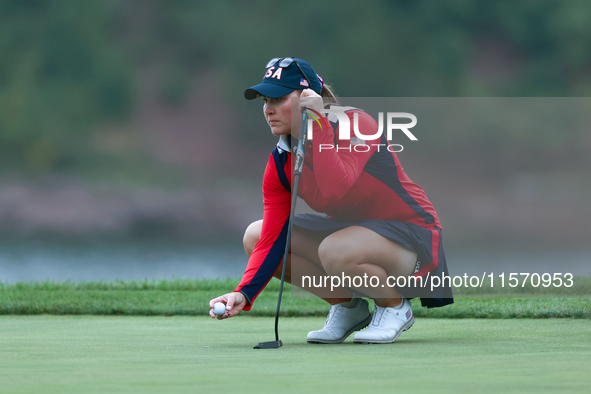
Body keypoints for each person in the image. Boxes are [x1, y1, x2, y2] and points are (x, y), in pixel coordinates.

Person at [209, 57, 453, 344]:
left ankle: (394, 307)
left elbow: (336, 187)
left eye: (278, 98)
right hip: (352, 237)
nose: (268, 109)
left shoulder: (356, 124)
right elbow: (272, 237)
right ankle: (349, 308)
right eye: (265, 100)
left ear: (308, 98)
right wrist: (244, 292)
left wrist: (316, 123)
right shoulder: (280, 160)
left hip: (412, 235)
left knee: (334, 250)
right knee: (256, 234)